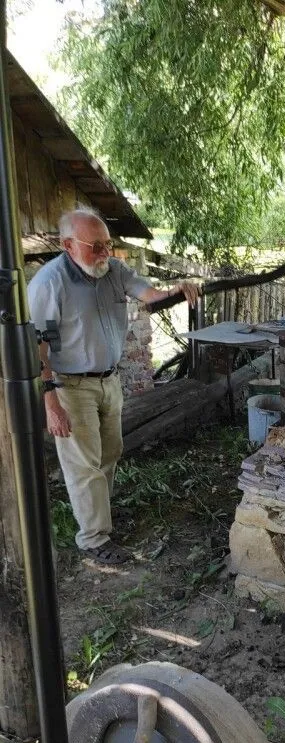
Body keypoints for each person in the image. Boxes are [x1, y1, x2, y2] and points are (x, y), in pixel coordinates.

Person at [28, 207, 200, 564]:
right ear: (68, 245)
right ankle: (92, 539)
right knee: (83, 464)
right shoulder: (49, 283)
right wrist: (50, 402)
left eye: (108, 244)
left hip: (109, 379)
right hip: (70, 385)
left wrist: (177, 289)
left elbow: (149, 294)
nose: (105, 253)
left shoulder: (113, 270)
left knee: (109, 454)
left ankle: (99, 520)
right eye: (96, 247)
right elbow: (36, 349)